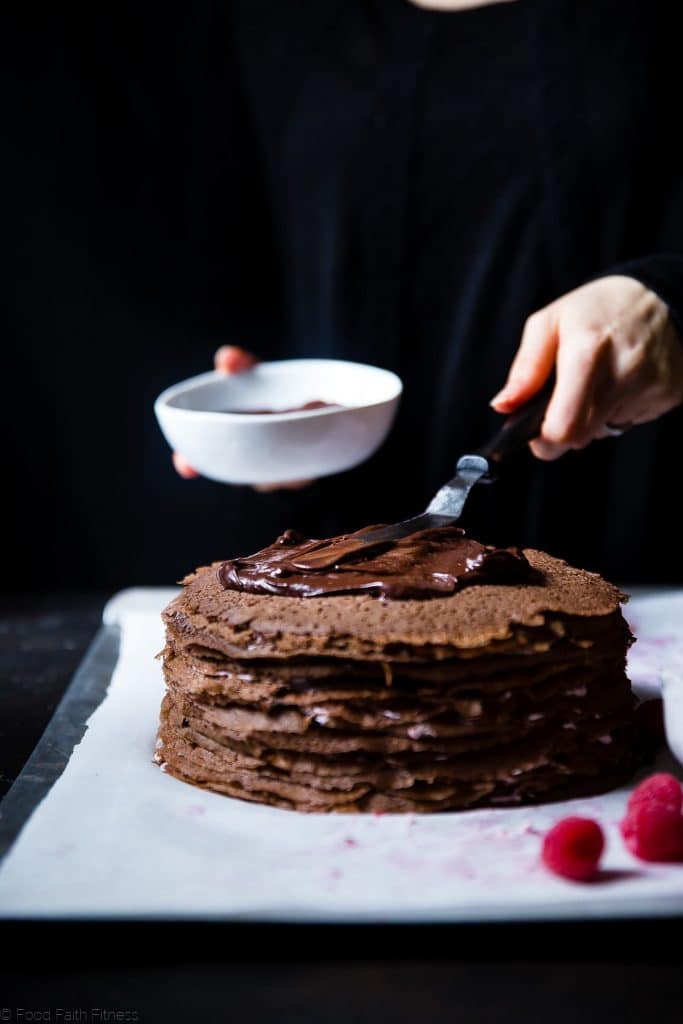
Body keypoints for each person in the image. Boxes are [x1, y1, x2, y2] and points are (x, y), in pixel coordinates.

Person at [6, 0, 683, 589]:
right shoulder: (264, 21)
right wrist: (275, 423)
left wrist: (668, 297)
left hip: (635, 552)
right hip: (344, 570)